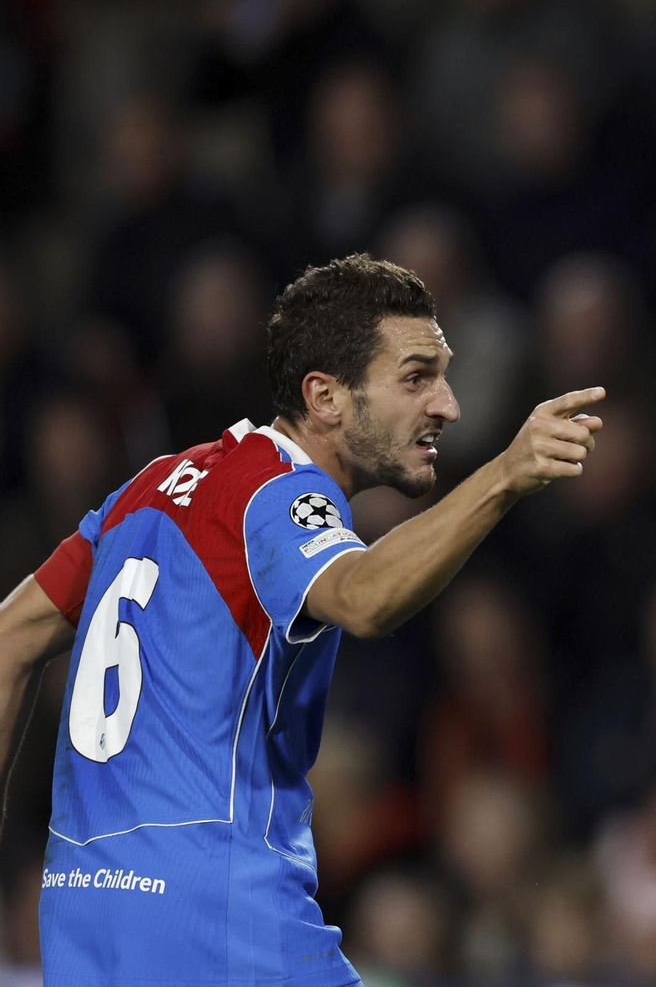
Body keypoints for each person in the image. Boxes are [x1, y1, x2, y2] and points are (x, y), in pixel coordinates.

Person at [0, 253, 604, 985]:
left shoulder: (146, 490)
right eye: (416, 377)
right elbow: (362, 597)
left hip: (82, 916)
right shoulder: (279, 496)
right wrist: (505, 475)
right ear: (325, 397)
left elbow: (10, 638)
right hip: (216, 915)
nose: (447, 405)